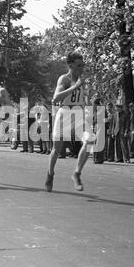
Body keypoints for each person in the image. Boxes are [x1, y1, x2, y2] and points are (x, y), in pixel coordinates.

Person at [45, 52, 93, 192]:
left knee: (90, 140)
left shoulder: (83, 78)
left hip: (78, 114)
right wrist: (76, 86)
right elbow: (55, 98)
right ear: (70, 65)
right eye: (79, 65)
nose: (81, 68)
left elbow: (84, 96)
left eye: (82, 65)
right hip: (64, 113)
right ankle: (50, 174)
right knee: (57, 149)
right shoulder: (64, 79)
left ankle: (77, 173)